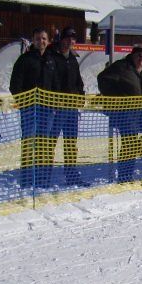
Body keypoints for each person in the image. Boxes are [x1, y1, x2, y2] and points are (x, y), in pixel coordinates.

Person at [10, 27, 60, 187]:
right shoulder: (24, 59)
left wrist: (55, 103)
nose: (41, 41)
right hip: (30, 109)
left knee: (43, 145)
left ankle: (42, 179)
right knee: (28, 143)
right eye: (38, 38)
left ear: (48, 41)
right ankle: (26, 179)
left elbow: (56, 84)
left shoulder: (51, 60)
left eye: (44, 38)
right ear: (33, 40)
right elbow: (15, 85)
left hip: (48, 109)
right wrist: (23, 103)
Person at [97, 44, 142, 182]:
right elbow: (102, 78)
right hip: (126, 113)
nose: (141, 58)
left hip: (139, 114)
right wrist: (116, 97)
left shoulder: (141, 70)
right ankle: (124, 176)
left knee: (136, 143)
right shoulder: (122, 66)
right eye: (139, 55)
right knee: (129, 145)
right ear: (132, 55)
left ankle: (127, 174)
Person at [51, 27, 86, 185]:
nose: (70, 41)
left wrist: (81, 96)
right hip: (56, 107)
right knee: (50, 142)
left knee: (71, 143)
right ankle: (44, 175)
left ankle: (72, 175)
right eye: (67, 38)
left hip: (71, 107)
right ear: (62, 39)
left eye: (73, 39)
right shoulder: (52, 56)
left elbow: (78, 81)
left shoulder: (73, 59)